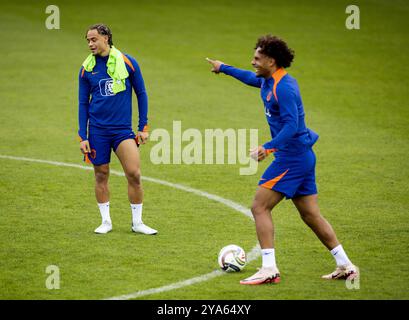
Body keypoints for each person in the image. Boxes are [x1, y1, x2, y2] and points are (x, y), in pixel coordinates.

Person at [206, 35, 359, 285]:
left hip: (292, 157)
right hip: (301, 156)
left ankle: (269, 269)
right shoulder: (267, 80)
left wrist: (268, 147)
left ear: (271, 61)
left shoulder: (284, 88)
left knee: (259, 206)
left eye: (257, 58)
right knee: (311, 215)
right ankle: (346, 265)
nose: (253, 61)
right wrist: (223, 68)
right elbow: (248, 76)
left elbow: (293, 125)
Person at [78, 23, 157, 235]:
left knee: (134, 173)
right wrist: (82, 136)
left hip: (122, 130)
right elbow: (83, 103)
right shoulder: (87, 69)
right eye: (88, 40)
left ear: (106, 38)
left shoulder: (128, 62)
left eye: (93, 39)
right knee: (101, 175)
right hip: (97, 131)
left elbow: (141, 93)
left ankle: (137, 223)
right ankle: (106, 222)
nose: (90, 44)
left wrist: (143, 127)